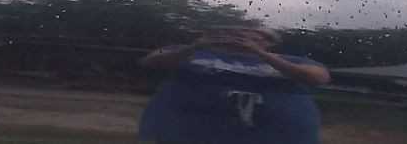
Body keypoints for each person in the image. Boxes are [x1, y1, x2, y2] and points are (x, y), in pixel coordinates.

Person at [138, 24, 330, 144]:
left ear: (269, 41)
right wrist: (196, 46)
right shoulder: (191, 52)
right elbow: (151, 63)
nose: (240, 36)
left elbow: (317, 78)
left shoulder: (291, 59)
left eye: (251, 34)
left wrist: (261, 55)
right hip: (191, 133)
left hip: (272, 136)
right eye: (234, 32)